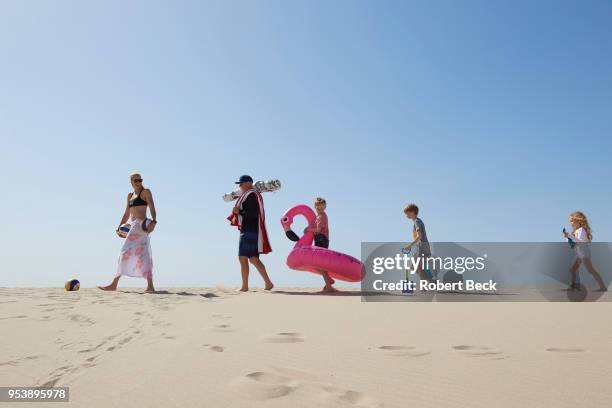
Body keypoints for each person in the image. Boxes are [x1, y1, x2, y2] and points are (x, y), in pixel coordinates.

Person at [99, 173, 157, 293]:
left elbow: (151, 206)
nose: (138, 182)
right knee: (143, 254)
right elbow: (126, 213)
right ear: (131, 182)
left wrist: (154, 221)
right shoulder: (130, 196)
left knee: (124, 252)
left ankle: (114, 284)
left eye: (140, 180)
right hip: (133, 227)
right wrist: (119, 226)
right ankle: (149, 286)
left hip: (141, 226)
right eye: (136, 180)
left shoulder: (146, 192)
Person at [227, 175, 274, 292]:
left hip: (249, 231)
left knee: (242, 258)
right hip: (252, 231)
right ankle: (268, 283)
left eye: (241, 183)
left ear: (248, 183)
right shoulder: (252, 195)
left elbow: (253, 214)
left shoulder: (251, 195)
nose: (240, 186)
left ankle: (244, 287)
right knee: (253, 259)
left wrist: (240, 211)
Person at [563, 211, 607, 291]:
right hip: (579, 253)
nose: (571, 223)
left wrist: (569, 236)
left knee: (590, 270)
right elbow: (573, 244)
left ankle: (603, 287)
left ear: (579, 220)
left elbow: (580, 242)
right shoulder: (576, 231)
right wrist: (567, 237)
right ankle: (572, 287)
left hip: (584, 253)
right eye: (570, 221)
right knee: (573, 270)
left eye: (572, 220)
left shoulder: (581, 230)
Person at [304, 197, 336, 292]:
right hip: (320, 239)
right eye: (318, 208)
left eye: (322, 208)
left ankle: (329, 285)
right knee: (317, 264)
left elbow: (318, 230)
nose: (320, 209)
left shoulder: (322, 216)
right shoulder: (318, 217)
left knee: (320, 263)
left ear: (325, 207)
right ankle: (328, 281)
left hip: (322, 239)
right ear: (315, 207)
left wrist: (308, 229)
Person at [403, 203, 432, 284]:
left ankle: (424, 286)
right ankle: (431, 281)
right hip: (419, 247)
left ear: (412, 212)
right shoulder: (416, 222)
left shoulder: (417, 222)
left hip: (422, 247)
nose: (406, 215)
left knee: (419, 267)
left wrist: (409, 246)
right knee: (413, 267)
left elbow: (419, 236)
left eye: (407, 213)